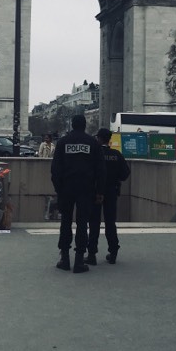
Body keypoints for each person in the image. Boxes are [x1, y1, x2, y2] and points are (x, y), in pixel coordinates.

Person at [51, 114, 106, 273]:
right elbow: (101, 170)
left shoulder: (62, 142)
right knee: (82, 224)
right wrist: (100, 191)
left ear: (72, 125)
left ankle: (65, 258)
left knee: (65, 222)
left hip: (66, 188)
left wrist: (58, 188)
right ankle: (79, 260)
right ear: (85, 125)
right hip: (86, 188)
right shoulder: (93, 143)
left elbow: (55, 169)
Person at [86, 128, 130, 265]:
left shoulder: (94, 155)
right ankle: (113, 251)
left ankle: (92, 254)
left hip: (96, 192)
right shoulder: (116, 155)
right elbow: (125, 174)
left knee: (94, 223)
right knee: (110, 222)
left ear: (98, 139)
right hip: (112, 191)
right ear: (109, 139)